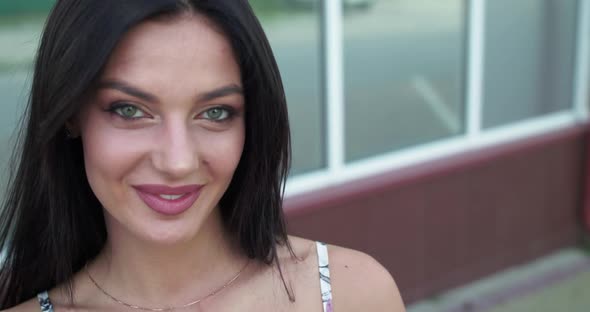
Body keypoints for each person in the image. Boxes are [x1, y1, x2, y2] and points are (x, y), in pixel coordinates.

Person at [0, 0, 405, 311]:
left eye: (215, 113)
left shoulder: (350, 293)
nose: (178, 162)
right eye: (129, 110)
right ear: (70, 114)